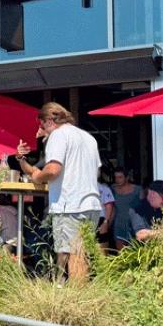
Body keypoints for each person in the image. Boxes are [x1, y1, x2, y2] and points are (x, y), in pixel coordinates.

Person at [15, 102, 102, 280]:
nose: (41, 129)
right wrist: (23, 159)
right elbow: (96, 171)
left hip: (69, 205)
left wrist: (38, 177)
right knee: (80, 253)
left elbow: (53, 170)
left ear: (49, 120)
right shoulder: (88, 138)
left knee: (74, 256)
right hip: (91, 203)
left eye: (41, 125)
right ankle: (72, 289)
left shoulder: (59, 135)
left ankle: (75, 294)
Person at [110, 168, 144, 250]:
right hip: (119, 223)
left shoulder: (138, 189)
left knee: (134, 250)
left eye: (120, 177)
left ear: (127, 177)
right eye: (115, 177)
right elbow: (111, 207)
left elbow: (144, 207)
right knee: (120, 251)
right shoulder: (112, 189)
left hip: (134, 223)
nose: (117, 180)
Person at [96, 168, 116, 252]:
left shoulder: (103, 188)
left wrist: (105, 222)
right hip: (85, 219)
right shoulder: (81, 188)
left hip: (100, 220)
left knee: (102, 249)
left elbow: (109, 206)